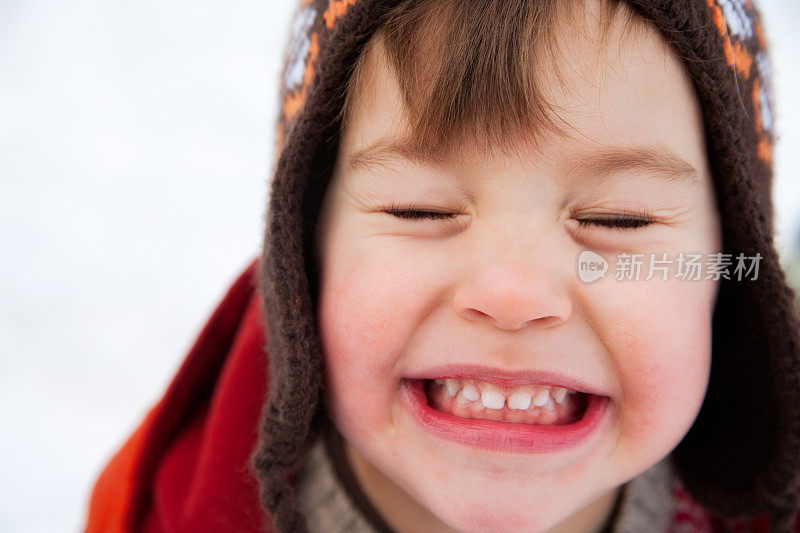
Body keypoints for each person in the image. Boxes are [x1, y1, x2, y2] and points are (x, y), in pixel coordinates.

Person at [83, 0, 800, 531]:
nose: (513, 293)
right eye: (417, 210)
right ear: (304, 260)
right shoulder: (159, 504)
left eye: (618, 220)